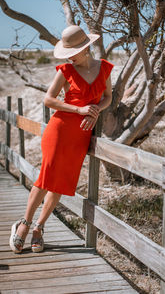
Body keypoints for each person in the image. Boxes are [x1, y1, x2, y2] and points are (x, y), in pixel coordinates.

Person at [9, 25, 114, 254]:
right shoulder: (65, 70)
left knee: (61, 182)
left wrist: (95, 109)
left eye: (72, 52)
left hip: (80, 136)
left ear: (85, 49)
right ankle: (24, 225)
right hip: (59, 130)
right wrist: (78, 110)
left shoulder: (104, 69)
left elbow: (108, 97)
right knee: (46, 177)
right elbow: (48, 100)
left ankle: (39, 227)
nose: (69, 57)